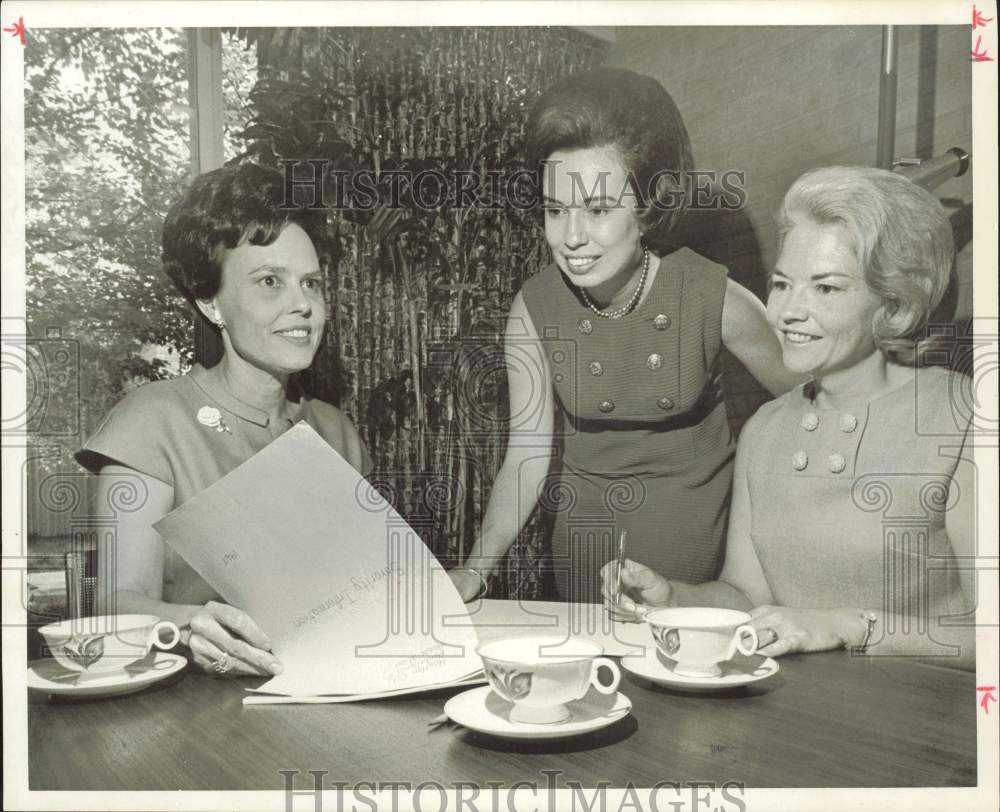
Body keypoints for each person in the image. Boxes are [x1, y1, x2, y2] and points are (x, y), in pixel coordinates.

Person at [449, 68, 801, 603]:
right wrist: (475, 571)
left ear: (646, 208)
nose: (571, 238)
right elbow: (525, 458)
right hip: (584, 584)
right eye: (554, 210)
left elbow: (809, 406)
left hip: (703, 598)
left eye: (597, 210)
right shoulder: (534, 307)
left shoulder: (713, 297)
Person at [602, 166, 975, 670]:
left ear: (894, 302)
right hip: (789, 717)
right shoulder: (766, 428)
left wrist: (845, 626)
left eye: (825, 289)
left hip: (922, 732)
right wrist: (673, 600)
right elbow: (746, 595)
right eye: (782, 284)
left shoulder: (962, 419)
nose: (785, 313)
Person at [77, 164, 372, 676]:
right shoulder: (151, 423)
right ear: (210, 302)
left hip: (324, 696)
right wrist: (190, 626)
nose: (302, 304)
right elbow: (113, 606)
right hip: (185, 710)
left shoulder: (338, 434)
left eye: (312, 284)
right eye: (270, 282)